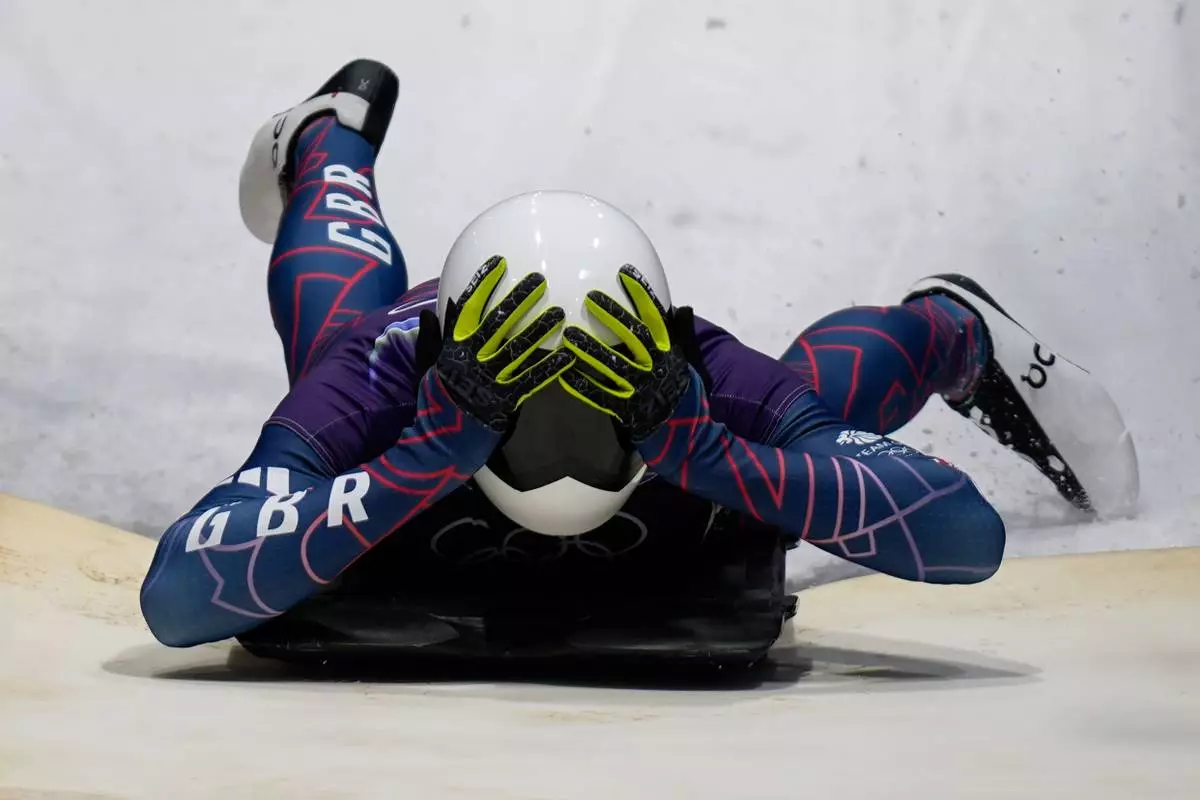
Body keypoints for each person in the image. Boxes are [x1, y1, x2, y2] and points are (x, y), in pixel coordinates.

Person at [139, 60, 1138, 665]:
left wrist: (714, 454)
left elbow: (966, 539)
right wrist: (420, 459)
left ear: (653, 352)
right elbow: (175, 597)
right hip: (399, 400)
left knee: (810, 403)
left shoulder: (695, 370)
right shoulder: (380, 370)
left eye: (601, 409)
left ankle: (950, 325)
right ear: (453, 361)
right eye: (528, 411)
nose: (567, 450)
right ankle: (330, 143)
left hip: (654, 436)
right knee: (331, 327)